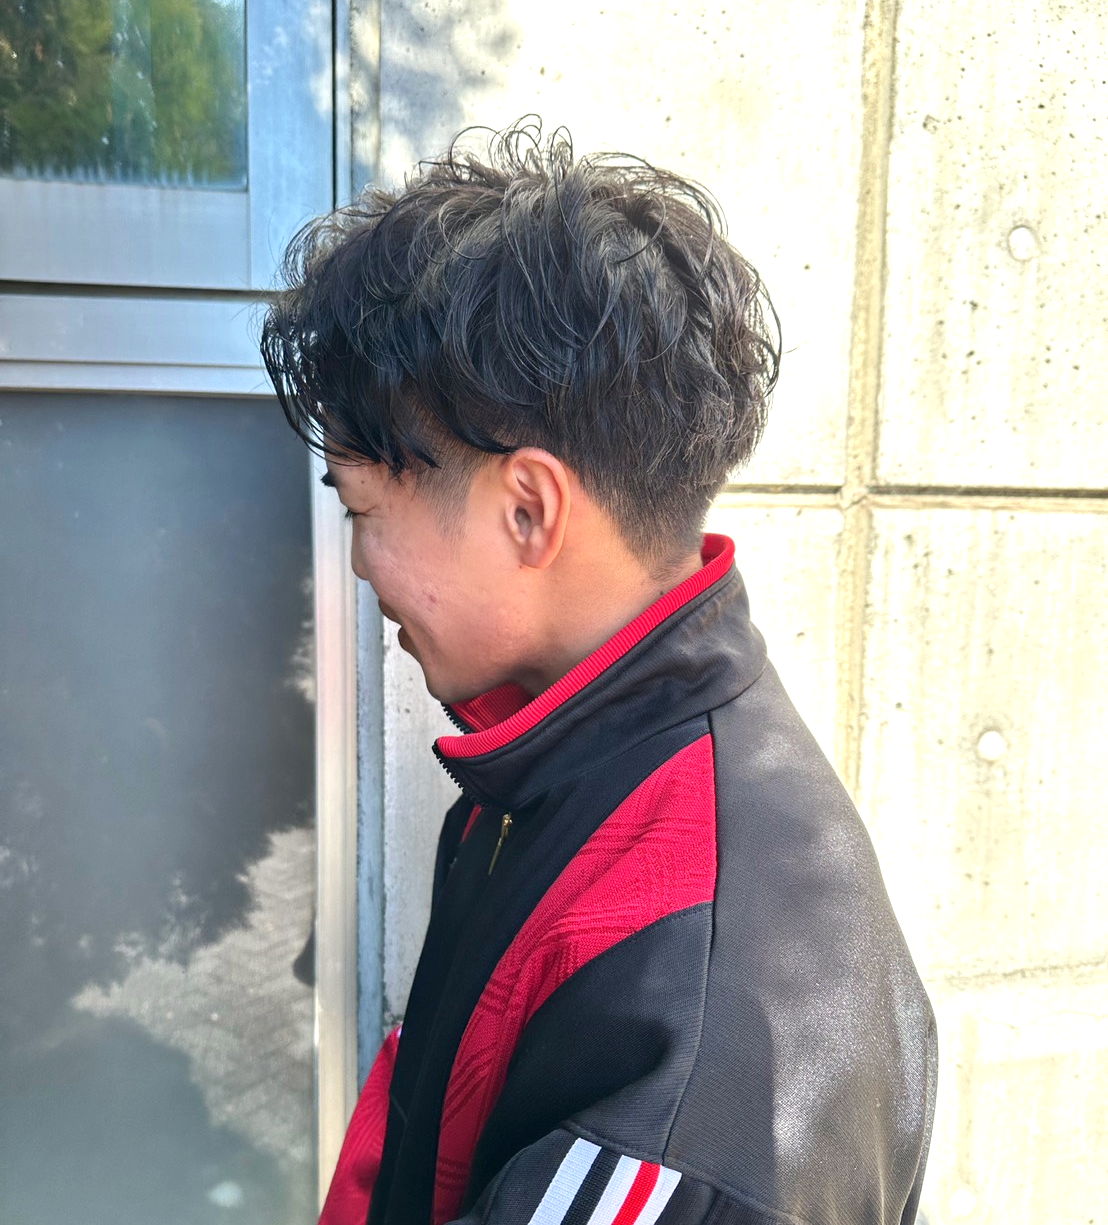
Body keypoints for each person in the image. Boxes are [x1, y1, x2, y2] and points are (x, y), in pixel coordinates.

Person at [261, 121, 937, 1225]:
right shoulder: (566, 756)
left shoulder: (693, 1048)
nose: (360, 564)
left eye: (362, 511)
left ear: (529, 510)